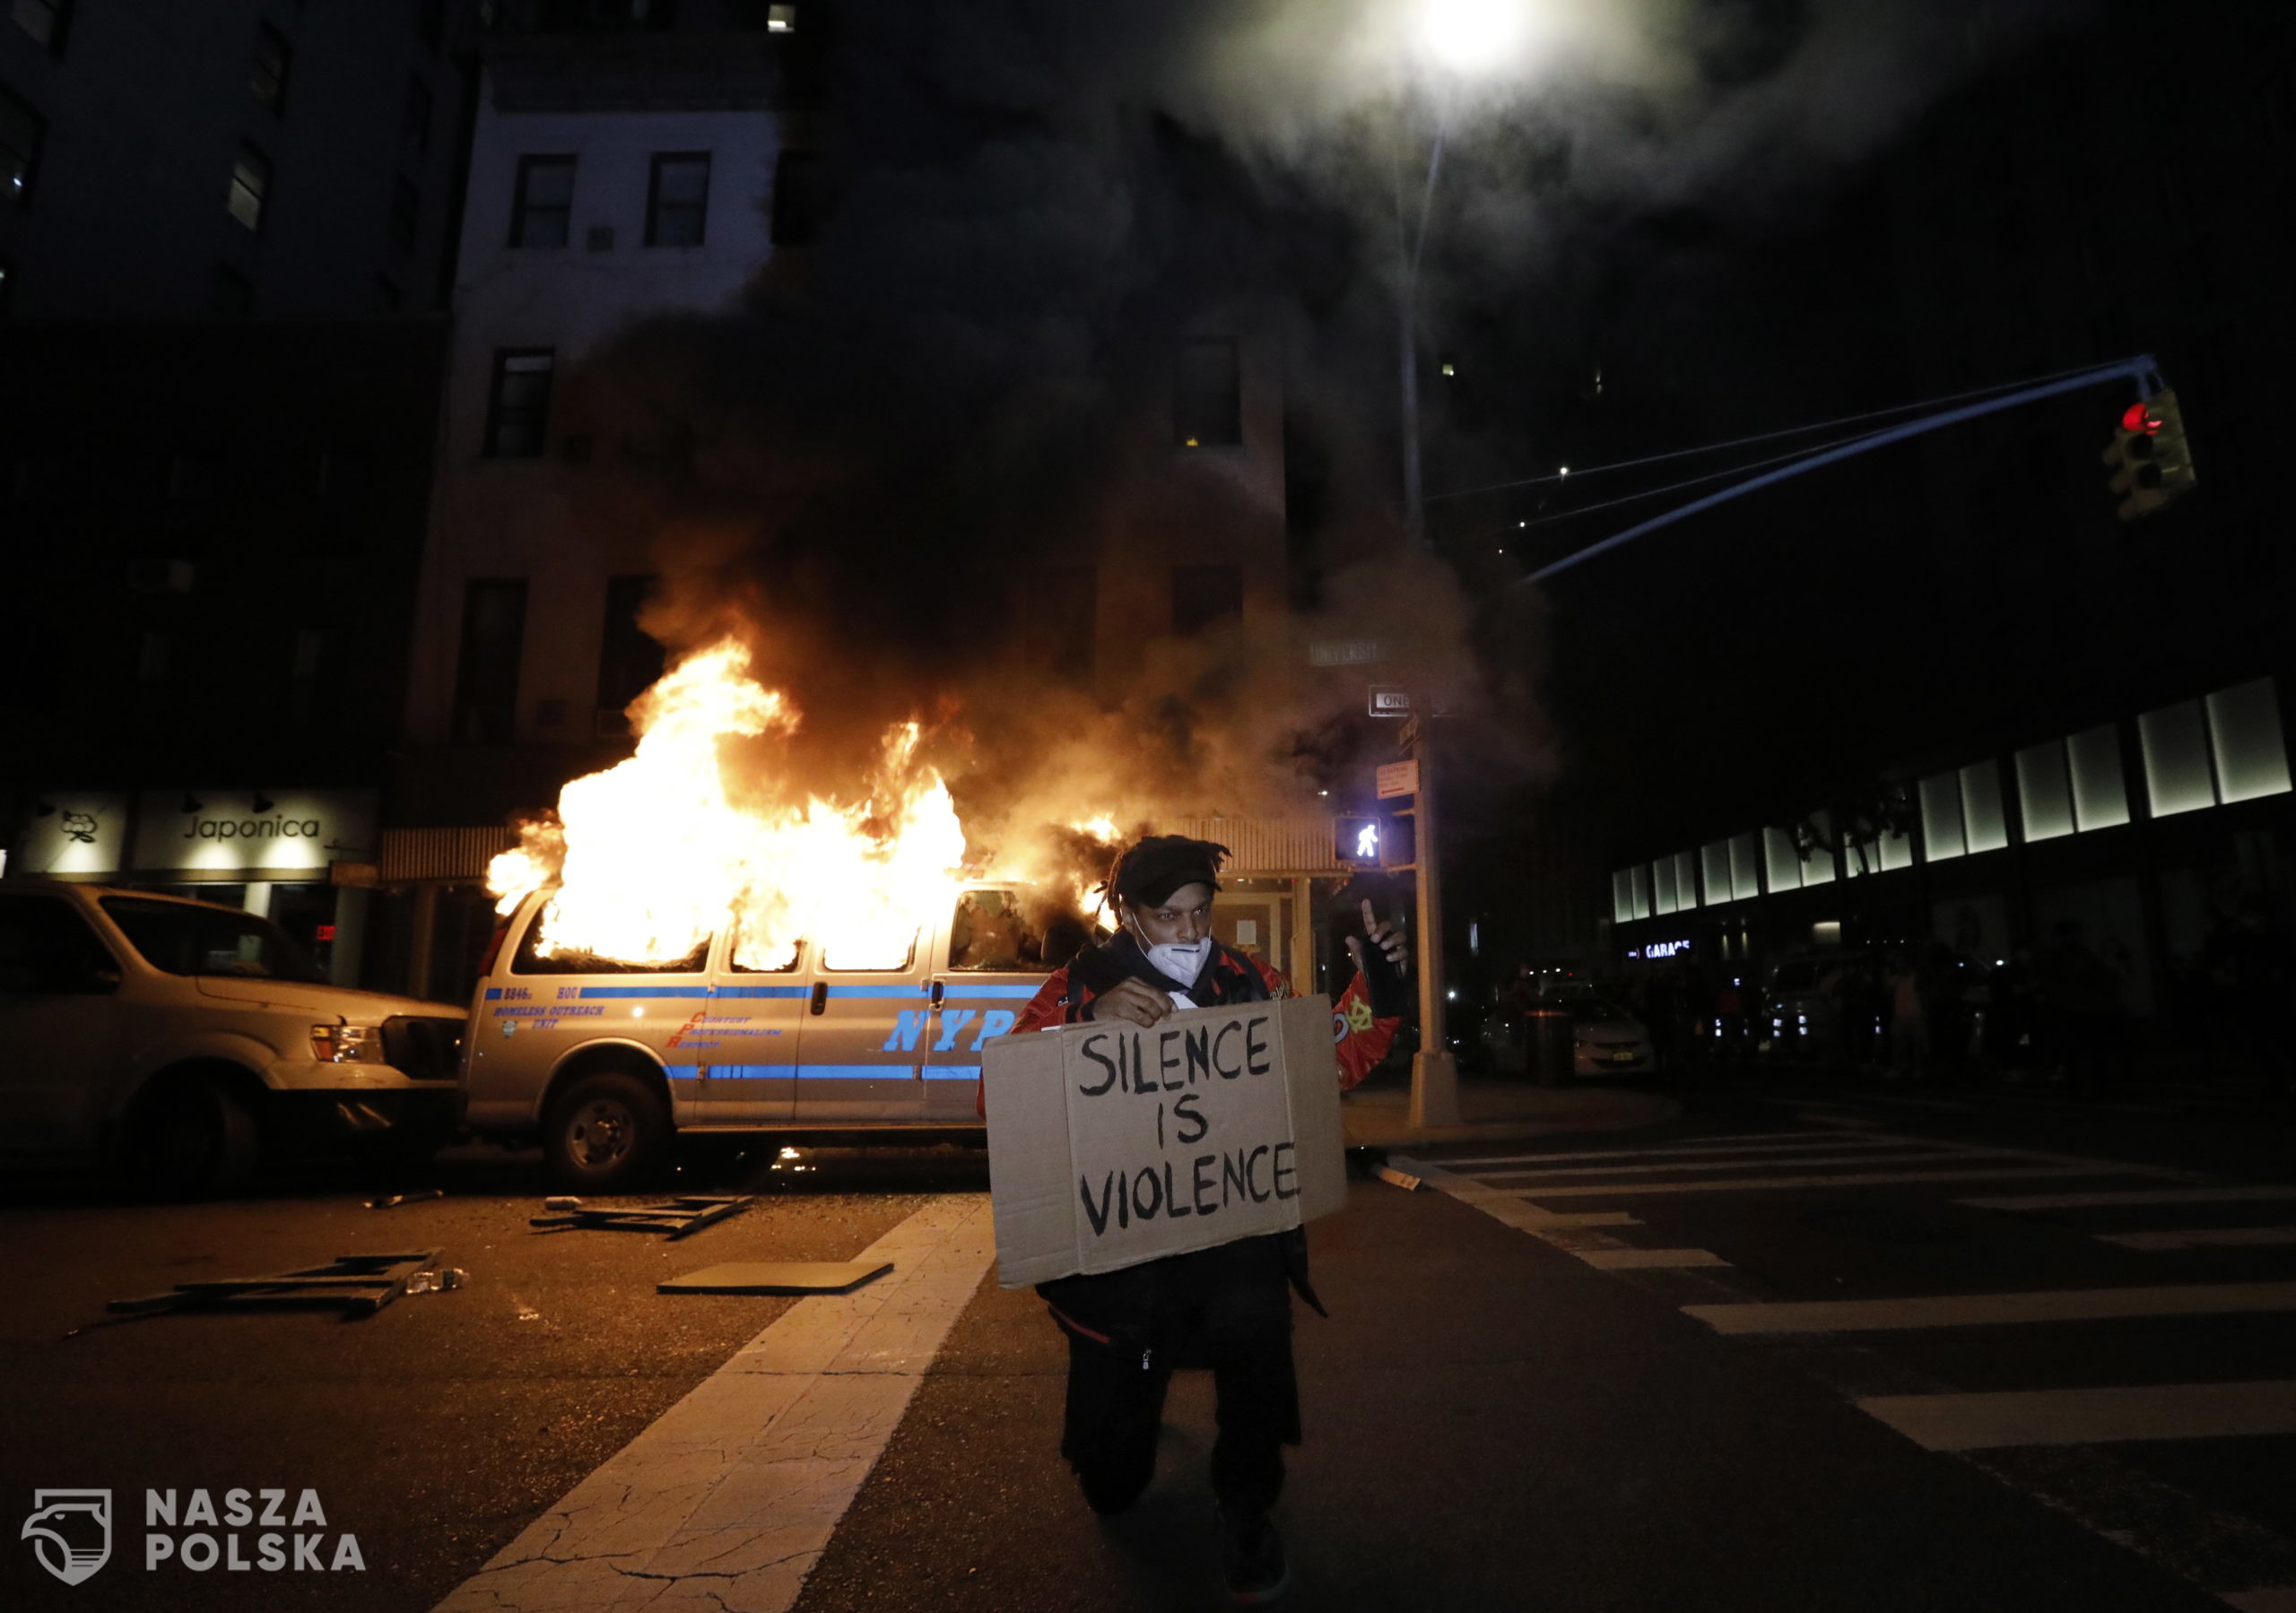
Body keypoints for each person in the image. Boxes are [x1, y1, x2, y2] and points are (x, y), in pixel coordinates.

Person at [1011, 834, 1407, 1605]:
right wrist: (1087, 1024)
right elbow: (1005, 1095)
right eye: (1170, 916)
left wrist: (1381, 991)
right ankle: (1123, 1438)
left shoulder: (1249, 978)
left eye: (1202, 914)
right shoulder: (1080, 982)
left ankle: (1246, 1506)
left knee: (1256, 1347)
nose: (1192, 934)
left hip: (1233, 1239)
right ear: (1129, 914)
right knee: (1113, 1485)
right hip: (1123, 1261)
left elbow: (1327, 1056)